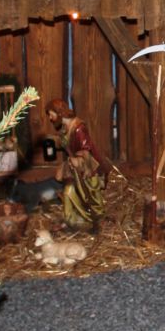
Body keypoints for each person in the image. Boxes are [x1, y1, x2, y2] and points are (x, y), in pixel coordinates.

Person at [46, 98, 111, 232]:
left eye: (51, 114)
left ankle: (96, 220)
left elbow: (86, 148)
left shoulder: (78, 128)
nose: (50, 118)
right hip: (75, 168)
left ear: (59, 113)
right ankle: (71, 220)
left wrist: (78, 159)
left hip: (86, 169)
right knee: (68, 192)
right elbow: (66, 142)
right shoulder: (65, 128)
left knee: (90, 195)